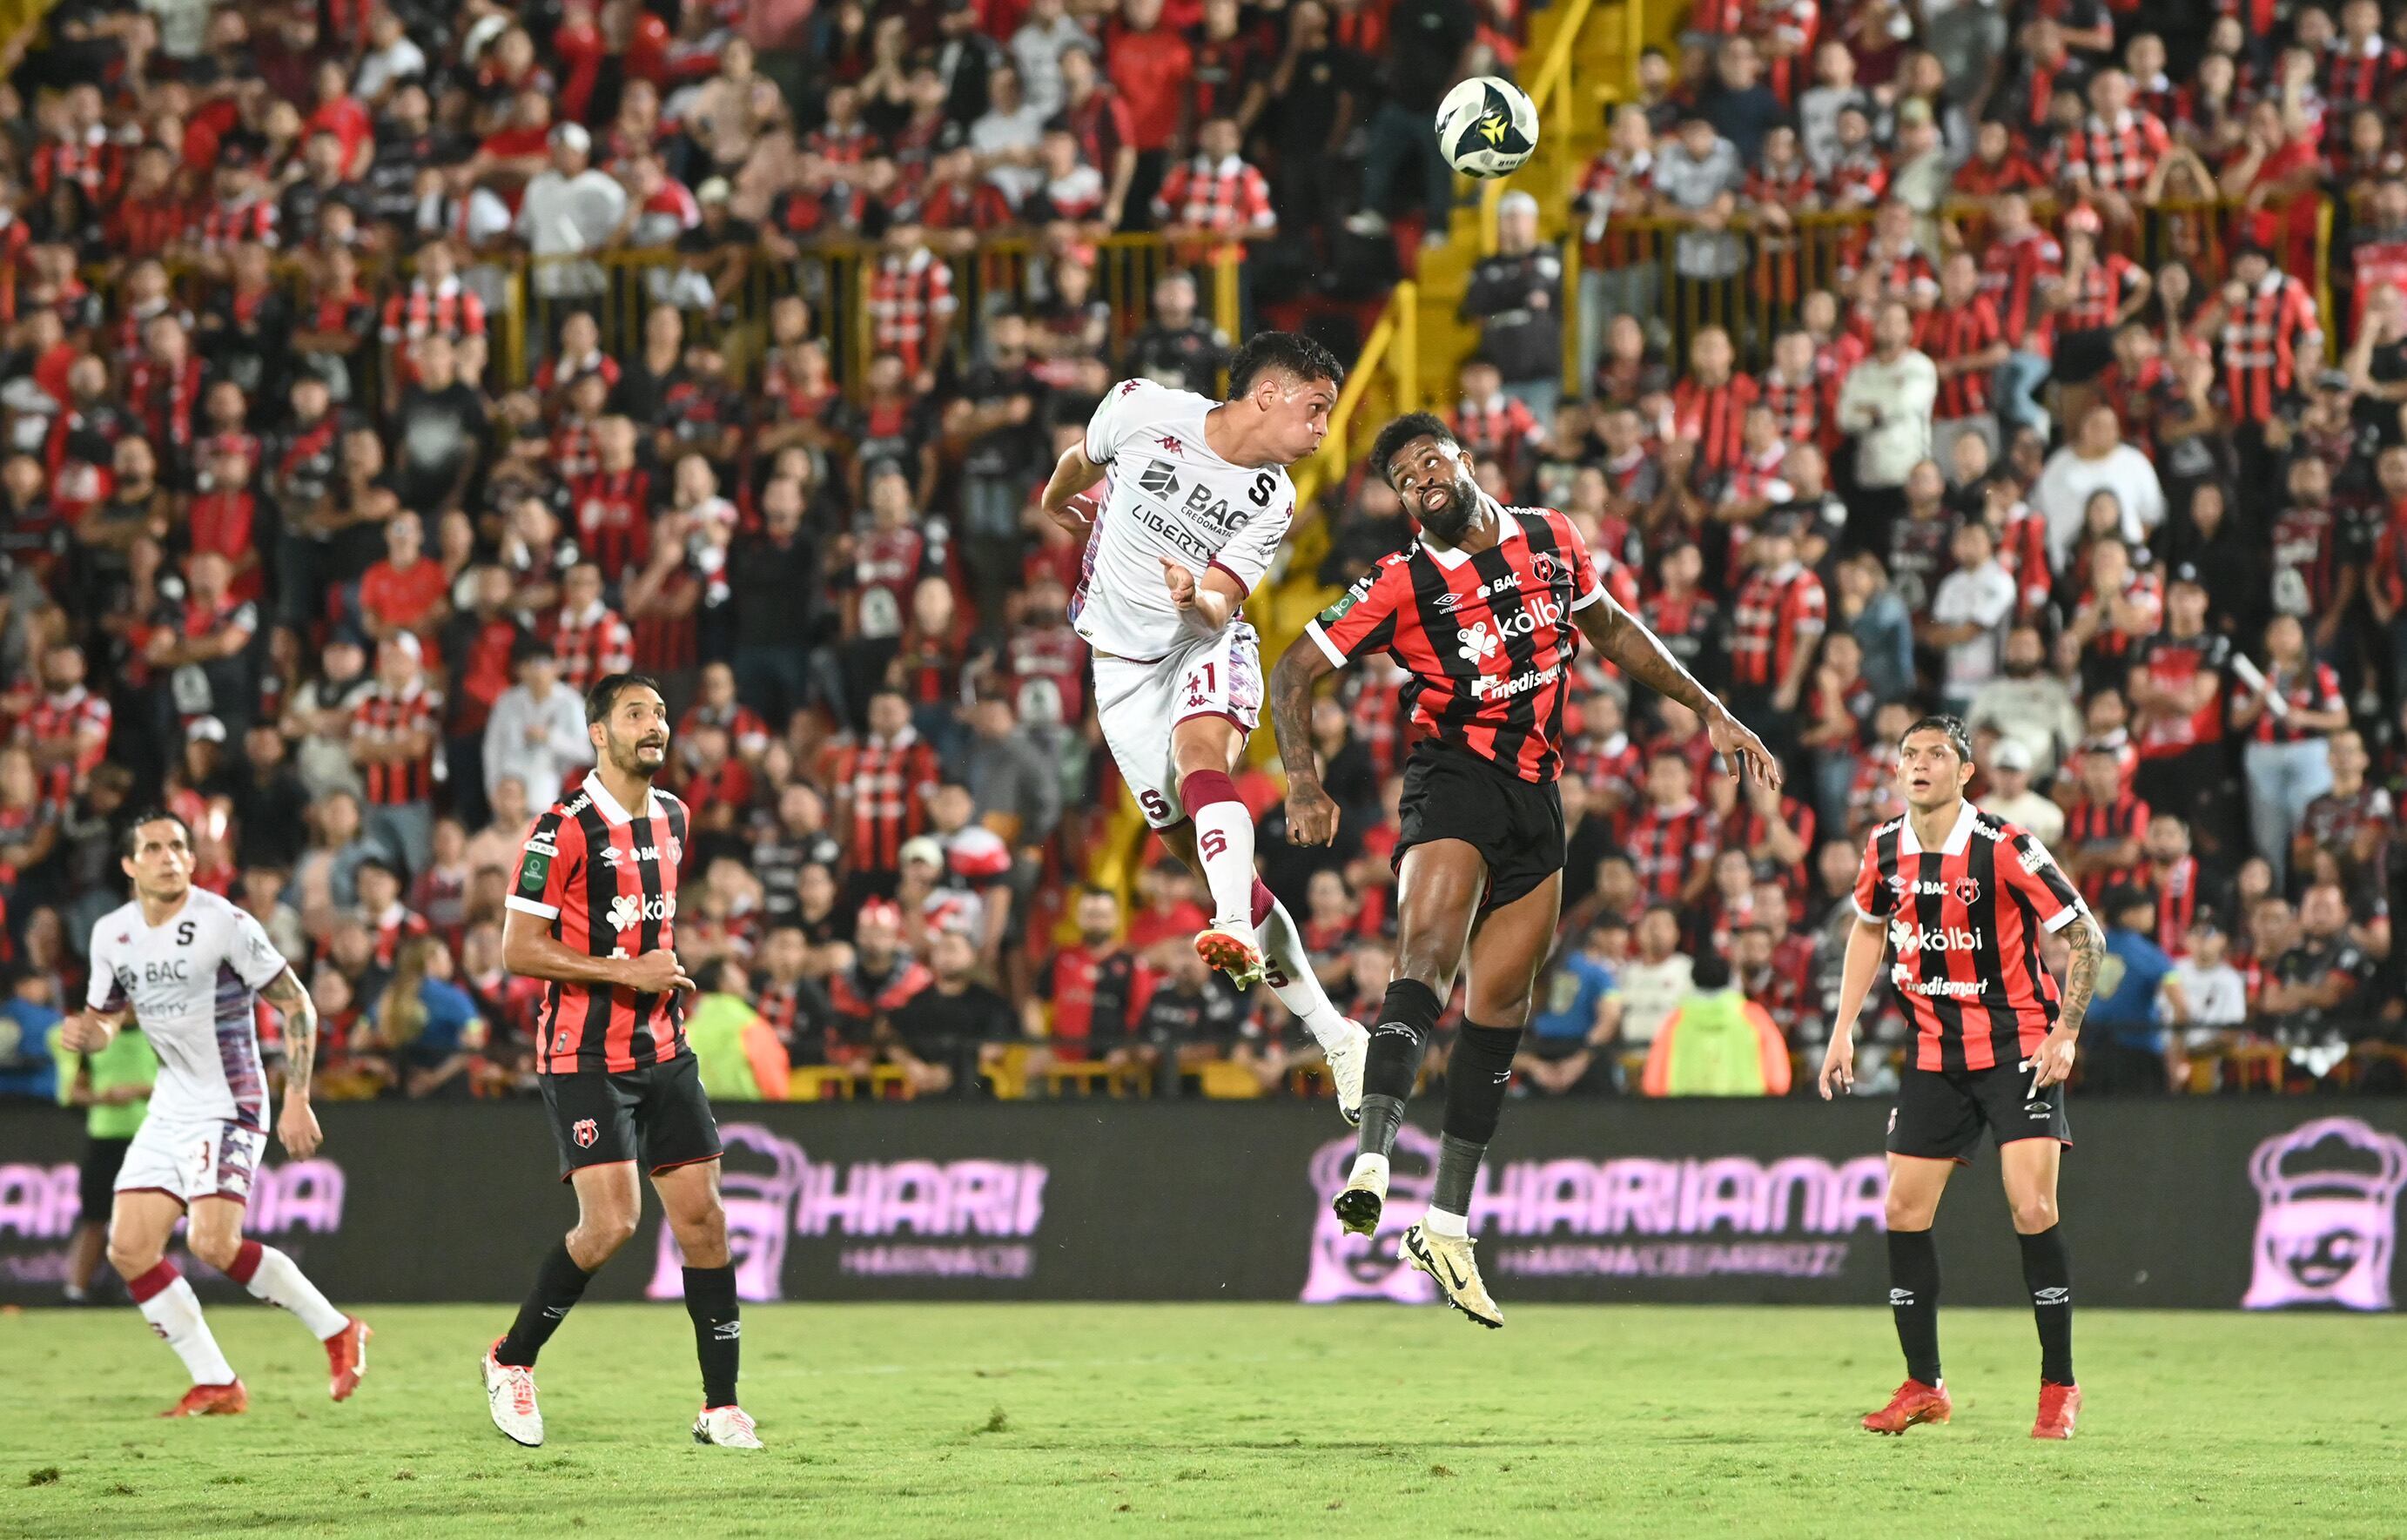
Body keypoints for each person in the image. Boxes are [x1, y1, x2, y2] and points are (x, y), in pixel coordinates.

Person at [1268, 412, 1778, 1327]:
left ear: (1465, 461)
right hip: (1452, 778)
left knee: (1501, 1006)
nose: (1417, 475)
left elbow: (1614, 631)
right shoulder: (1398, 580)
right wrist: (1301, 783)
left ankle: (1448, 1222)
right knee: (1424, 954)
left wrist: (1709, 708)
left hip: (1537, 794)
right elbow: (1292, 671)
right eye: (1399, 474)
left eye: (1429, 458)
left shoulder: (1553, 537)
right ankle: (1374, 1153)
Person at [1035, 333, 1369, 1113]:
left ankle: (1227, 925)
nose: (1324, 428)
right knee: (1212, 863)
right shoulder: (1142, 407)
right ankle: (1335, 1036)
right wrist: (1056, 501)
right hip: (1117, 671)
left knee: (1200, 757)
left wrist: (1196, 600)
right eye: (1315, 408)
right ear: (1268, 395)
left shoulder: (1273, 496)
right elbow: (1079, 460)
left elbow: (1222, 596)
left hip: (1202, 644)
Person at [485, 673, 757, 1450]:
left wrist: (659, 970)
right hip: (584, 1053)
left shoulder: (673, 816)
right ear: (597, 733)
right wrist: (624, 972)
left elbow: (645, 922)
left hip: (665, 1048)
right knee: (611, 1225)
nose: (655, 725)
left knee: (704, 1221)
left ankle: (721, 1406)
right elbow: (517, 948)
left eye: (662, 713)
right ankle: (510, 1360)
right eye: (636, 713)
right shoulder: (561, 827)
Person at [1819, 716, 2103, 1441]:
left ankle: (2058, 1386)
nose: (1918, 765)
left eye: (1935, 754)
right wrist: (1842, 1026)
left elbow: (2085, 936)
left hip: (2017, 1049)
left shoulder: (2003, 847)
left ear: (1964, 771)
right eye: (1908, 754)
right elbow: (1866, 927)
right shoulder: (1883, 849)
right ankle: (1923, 1383)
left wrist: (2065, 1031)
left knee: (2031, 1208)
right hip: (1932, 1053)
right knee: (1901, 1210)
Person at [64, 810, 368, 1416]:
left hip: (230, 1101)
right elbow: (106, 1018)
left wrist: (298, 1096)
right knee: (128, 1246)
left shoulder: (223, 922)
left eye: (177, 845)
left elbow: (297, 1004)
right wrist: (89, 1033)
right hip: (171, 1102)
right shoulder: (111, 934)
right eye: (153, 847)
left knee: (211, 1242)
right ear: (129, 864)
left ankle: (337, 1329)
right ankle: (217, 1380)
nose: (169, 856)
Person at [47, 1002, 157, 1303]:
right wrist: (102, 1097)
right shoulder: (95, 1042)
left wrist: (143, 1090)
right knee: (94, 1217)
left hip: (150, 1138)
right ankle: (75, 1291)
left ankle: (141, 1288)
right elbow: (75, 1092)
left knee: (150, 1220)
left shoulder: (159, 1037)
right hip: (105, 1137)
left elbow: (181, 1085)